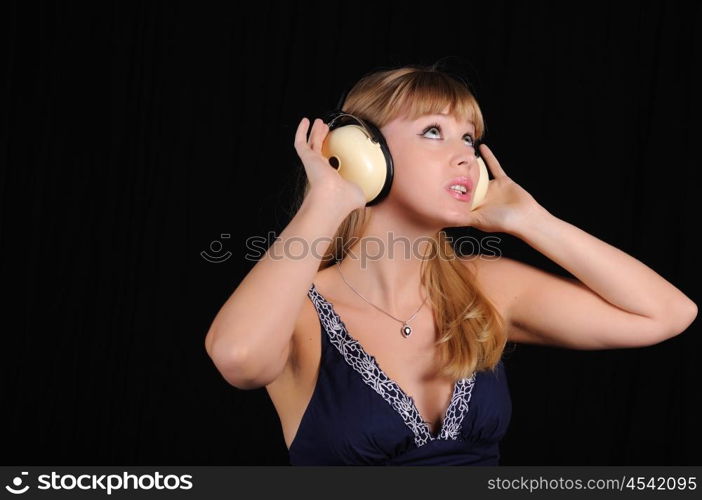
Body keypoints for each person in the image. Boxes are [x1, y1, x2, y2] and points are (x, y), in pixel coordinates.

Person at [204, 62, 698, 466]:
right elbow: (238, 358)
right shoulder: (299, 307)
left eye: (469, 138)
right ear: (362, 153)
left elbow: (666, 314)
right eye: (434, 131)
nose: (466, 157)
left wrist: (533, 221)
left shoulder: (485, 286)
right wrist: (327, 201)